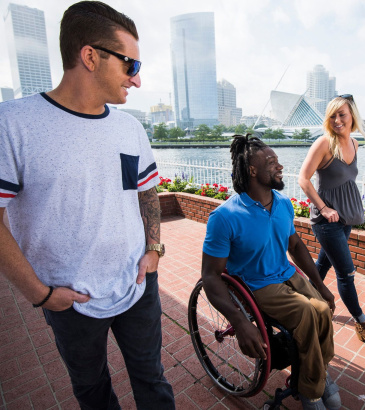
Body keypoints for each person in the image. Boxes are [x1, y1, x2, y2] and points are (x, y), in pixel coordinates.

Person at [0, 2, 175, 408]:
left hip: (136, 286)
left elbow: (147, 192)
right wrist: (41, 295)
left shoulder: (130, 128)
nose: (137, 79)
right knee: (93, 390)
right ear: (90, 56)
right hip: (69, 300)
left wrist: (154, 250)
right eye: (130, 64)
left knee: (153, 378)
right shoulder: (13, 123)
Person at [201, 135, 341, 410]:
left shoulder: (283, 203)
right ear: (252, 170)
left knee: (322, 309)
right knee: (305, 314)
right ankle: (311, 391)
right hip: (256, 284)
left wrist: (320, 286)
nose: (279, 166)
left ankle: (319, 371)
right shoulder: (225, 217)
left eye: (277, 160)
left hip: (286, 273)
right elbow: (210, 276)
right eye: (271, 162)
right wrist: (240, 322)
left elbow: (295, 245)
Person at [298, 95, 365, 347]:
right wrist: (324, 208)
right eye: (333, 116)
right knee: (346, 274)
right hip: (327, 220)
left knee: (323, 265)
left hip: (346, 217)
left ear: (352, 117)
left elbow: (347, 180)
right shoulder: (324, 143)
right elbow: (303, 179)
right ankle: (362, 324)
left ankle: (301, 302)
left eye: (342, 115)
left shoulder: (355, 144)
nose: (337, 120)